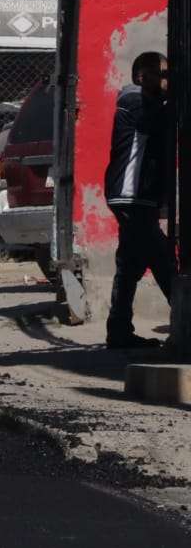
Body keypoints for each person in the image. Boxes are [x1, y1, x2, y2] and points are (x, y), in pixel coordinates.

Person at [104, 51, 175, 350]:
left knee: (132, 263)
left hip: (136, 197)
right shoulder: (134, 101)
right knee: (161, 259)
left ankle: (119, 332)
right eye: (163, 74)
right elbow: (166, 117)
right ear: (141, 77)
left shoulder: (149, 104)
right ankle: (184, 322)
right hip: (130, 195)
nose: (167, 81)